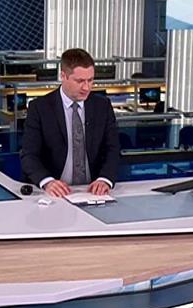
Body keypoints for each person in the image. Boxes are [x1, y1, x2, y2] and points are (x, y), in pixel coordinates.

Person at [20, 48, 121, 198]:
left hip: (93, 192)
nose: (86, 87)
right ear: (63, 76)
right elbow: (29, 155)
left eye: (90, 80)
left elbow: (113, 149)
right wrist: (47, 182)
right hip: (54, 194)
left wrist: (105, 179)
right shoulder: (40, 108)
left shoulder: (102, 106)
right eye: (79, 81)